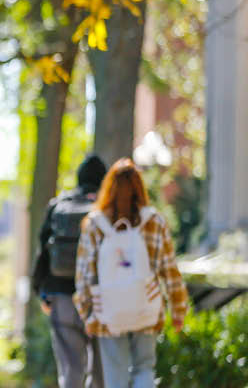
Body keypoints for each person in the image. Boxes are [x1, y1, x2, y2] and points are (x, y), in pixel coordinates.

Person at [74, 158, 188, 388]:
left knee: (115, 376)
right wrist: (178, 309)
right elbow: (170, 270)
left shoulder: (95, 224)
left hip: (108, 311)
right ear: (140, 187)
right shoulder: (154, 221)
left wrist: (86, 311)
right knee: (144, 368)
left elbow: (84, 273)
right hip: (146, 306)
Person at [31, 155, 107, 388]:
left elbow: (43, 252)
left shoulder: (58, 205)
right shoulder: (106, 209)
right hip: (99, 298)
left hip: (61, 295)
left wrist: (41, 291)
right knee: (100, 371)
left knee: (71, 369)